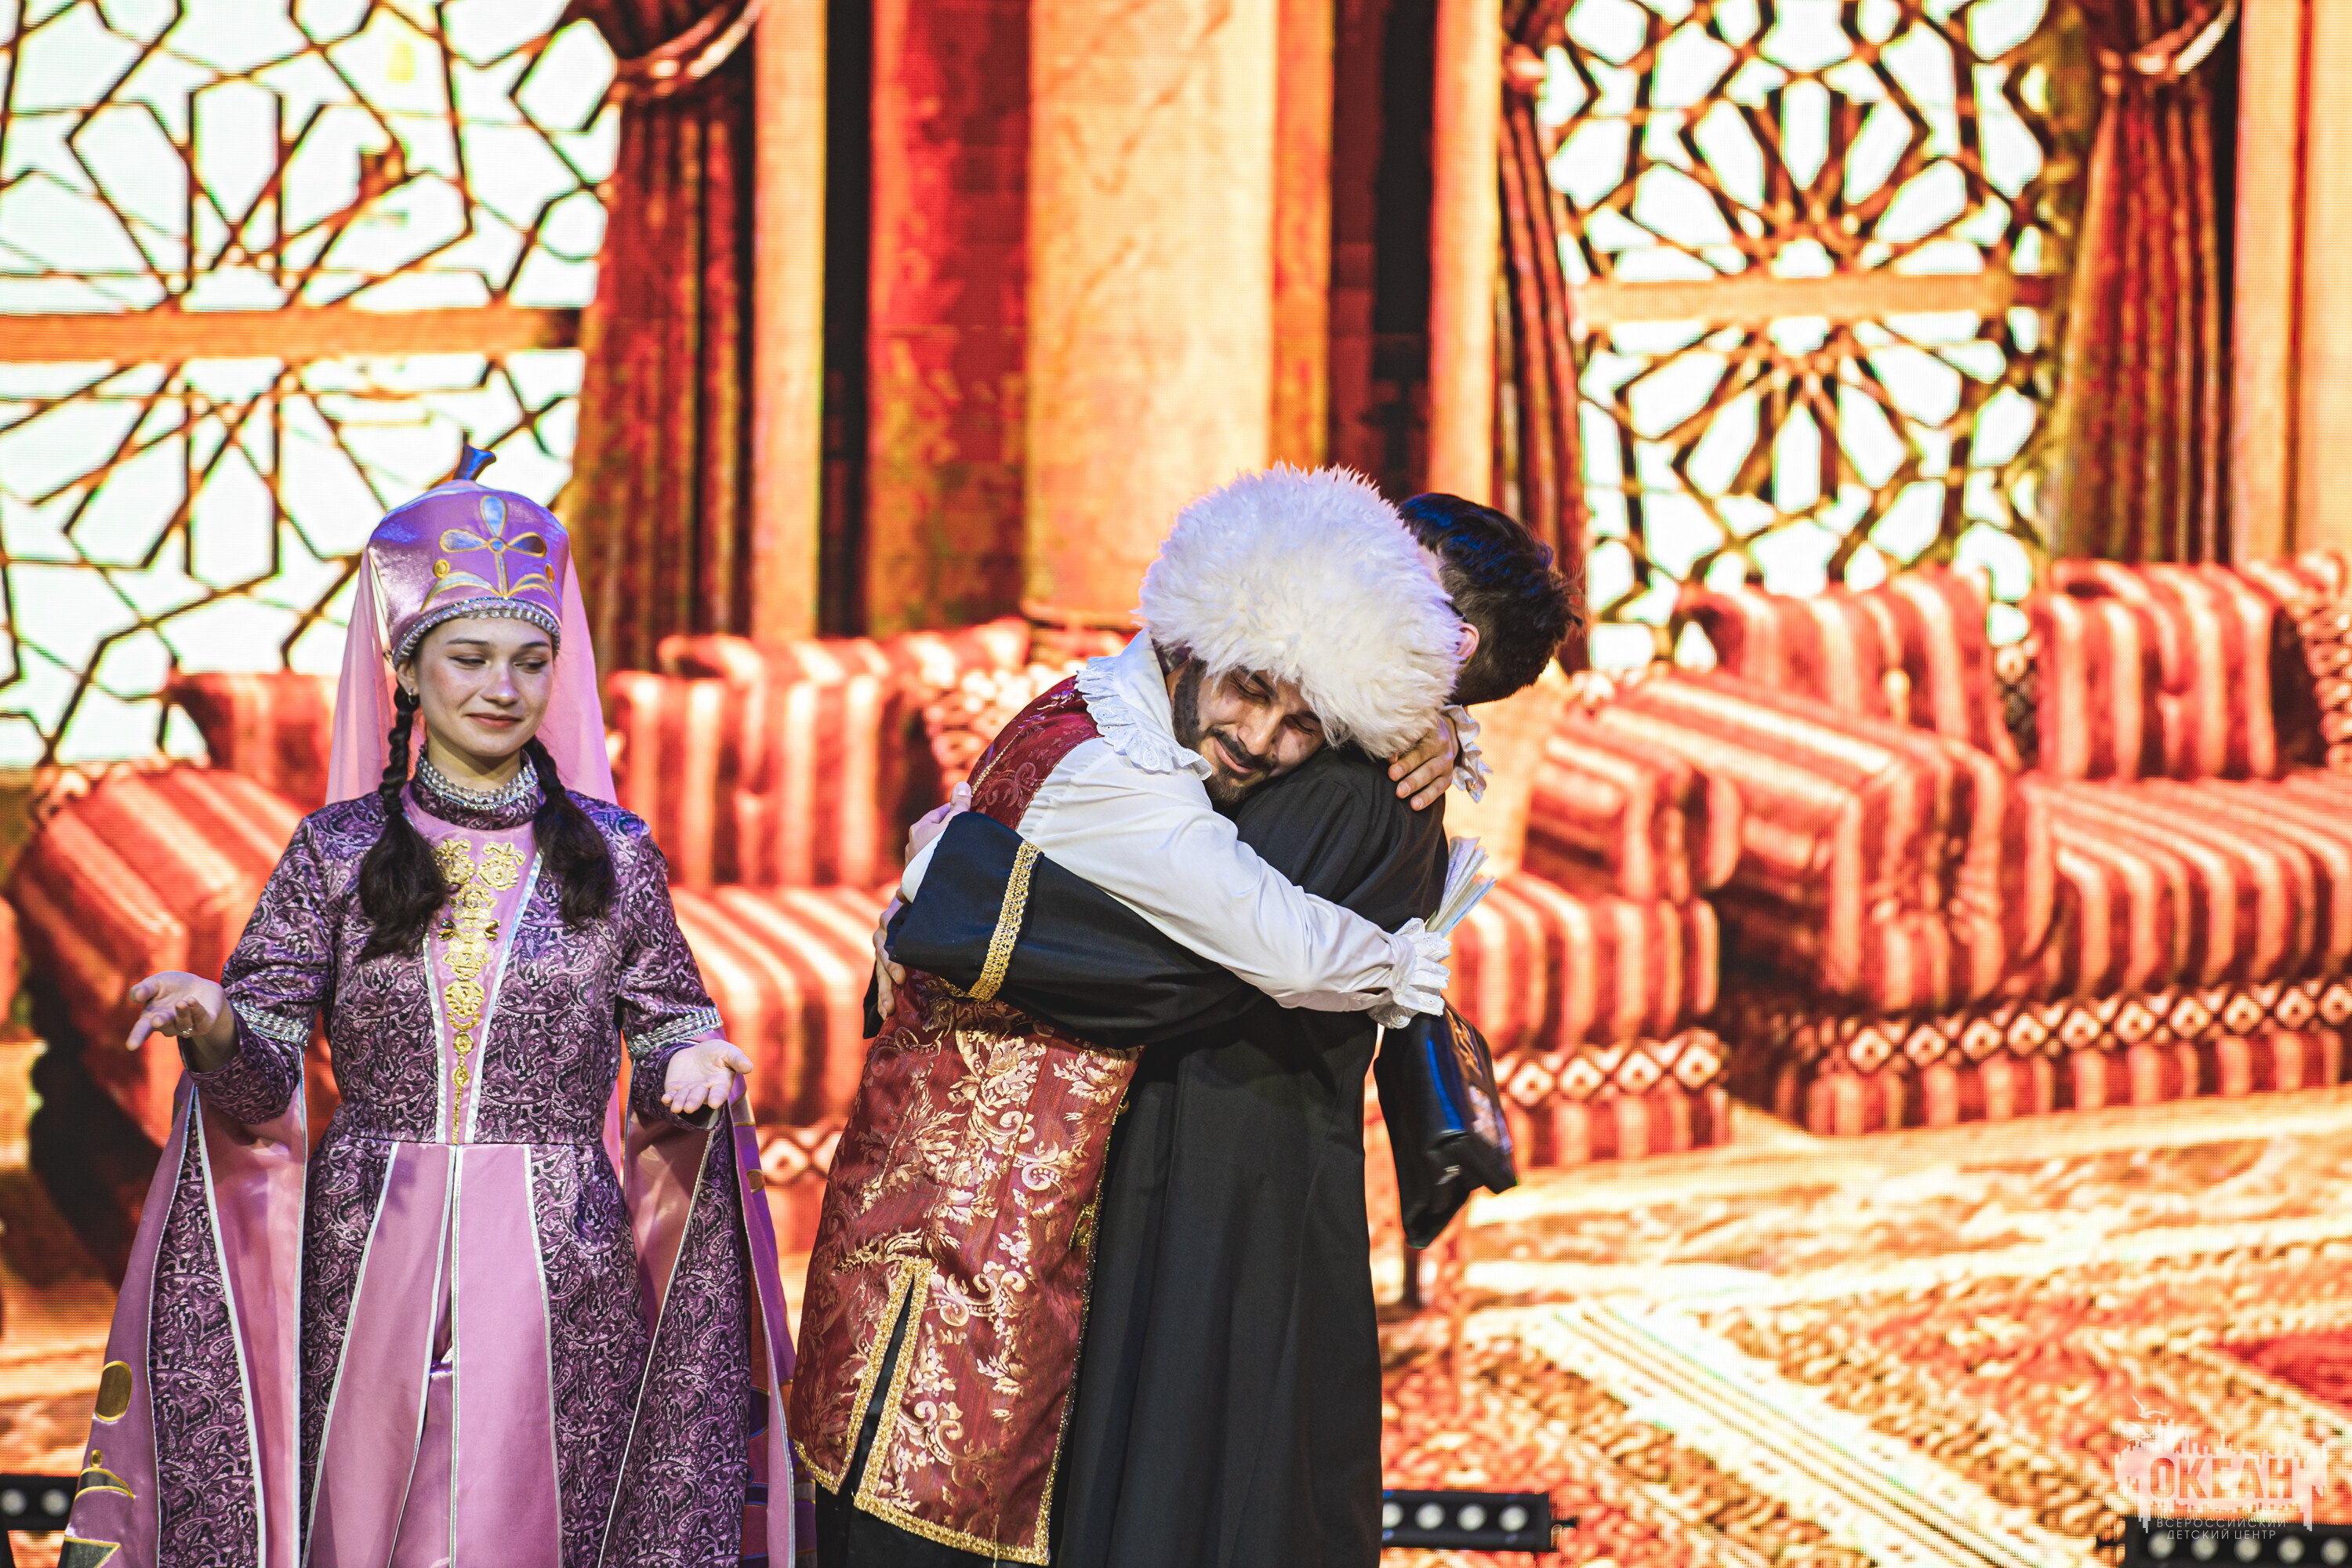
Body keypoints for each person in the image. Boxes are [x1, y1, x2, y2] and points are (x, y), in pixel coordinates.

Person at [63, 451, 804, 1567]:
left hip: (562, 1254)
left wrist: (690, 1059)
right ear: (406, 670)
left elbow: (667, 1024)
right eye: (470, 658)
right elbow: (262, 1070)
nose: (503, 688)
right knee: (371, 1518)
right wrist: (215, 1024)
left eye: (530, 661)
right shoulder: (337, 851)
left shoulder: (615, 853)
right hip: (371, 1246)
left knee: (536, 1512)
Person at [789, 466, 1469, 1566]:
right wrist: (1407, 965)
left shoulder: (1111, 707)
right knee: (918, 1492)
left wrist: (1439, 729)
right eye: (1251, 689)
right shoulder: (1114, 771)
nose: (1261, 737)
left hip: (1009, 1208)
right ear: (1195, 639)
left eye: (1306, 724)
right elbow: (1280, 944)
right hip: (956, 1222)